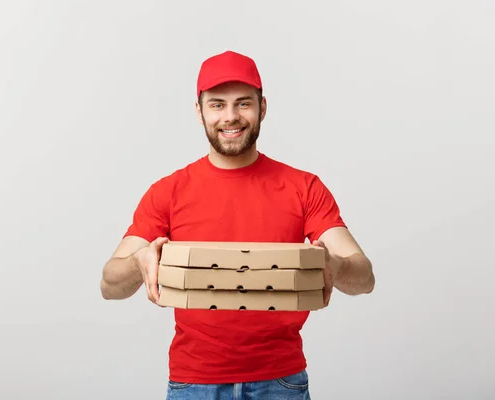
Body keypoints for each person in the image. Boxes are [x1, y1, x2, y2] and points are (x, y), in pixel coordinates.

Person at [100, 50, 375, 399]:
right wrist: (139, 265)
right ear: (199, 112)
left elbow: (364, 278)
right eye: (217, 104)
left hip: (282, 383)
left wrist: (334, 265)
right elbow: (110, 285)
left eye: (243, 103)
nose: (230, 117)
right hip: (194, 383)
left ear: (263, 107)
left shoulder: (304, 187)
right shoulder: (168, 192)